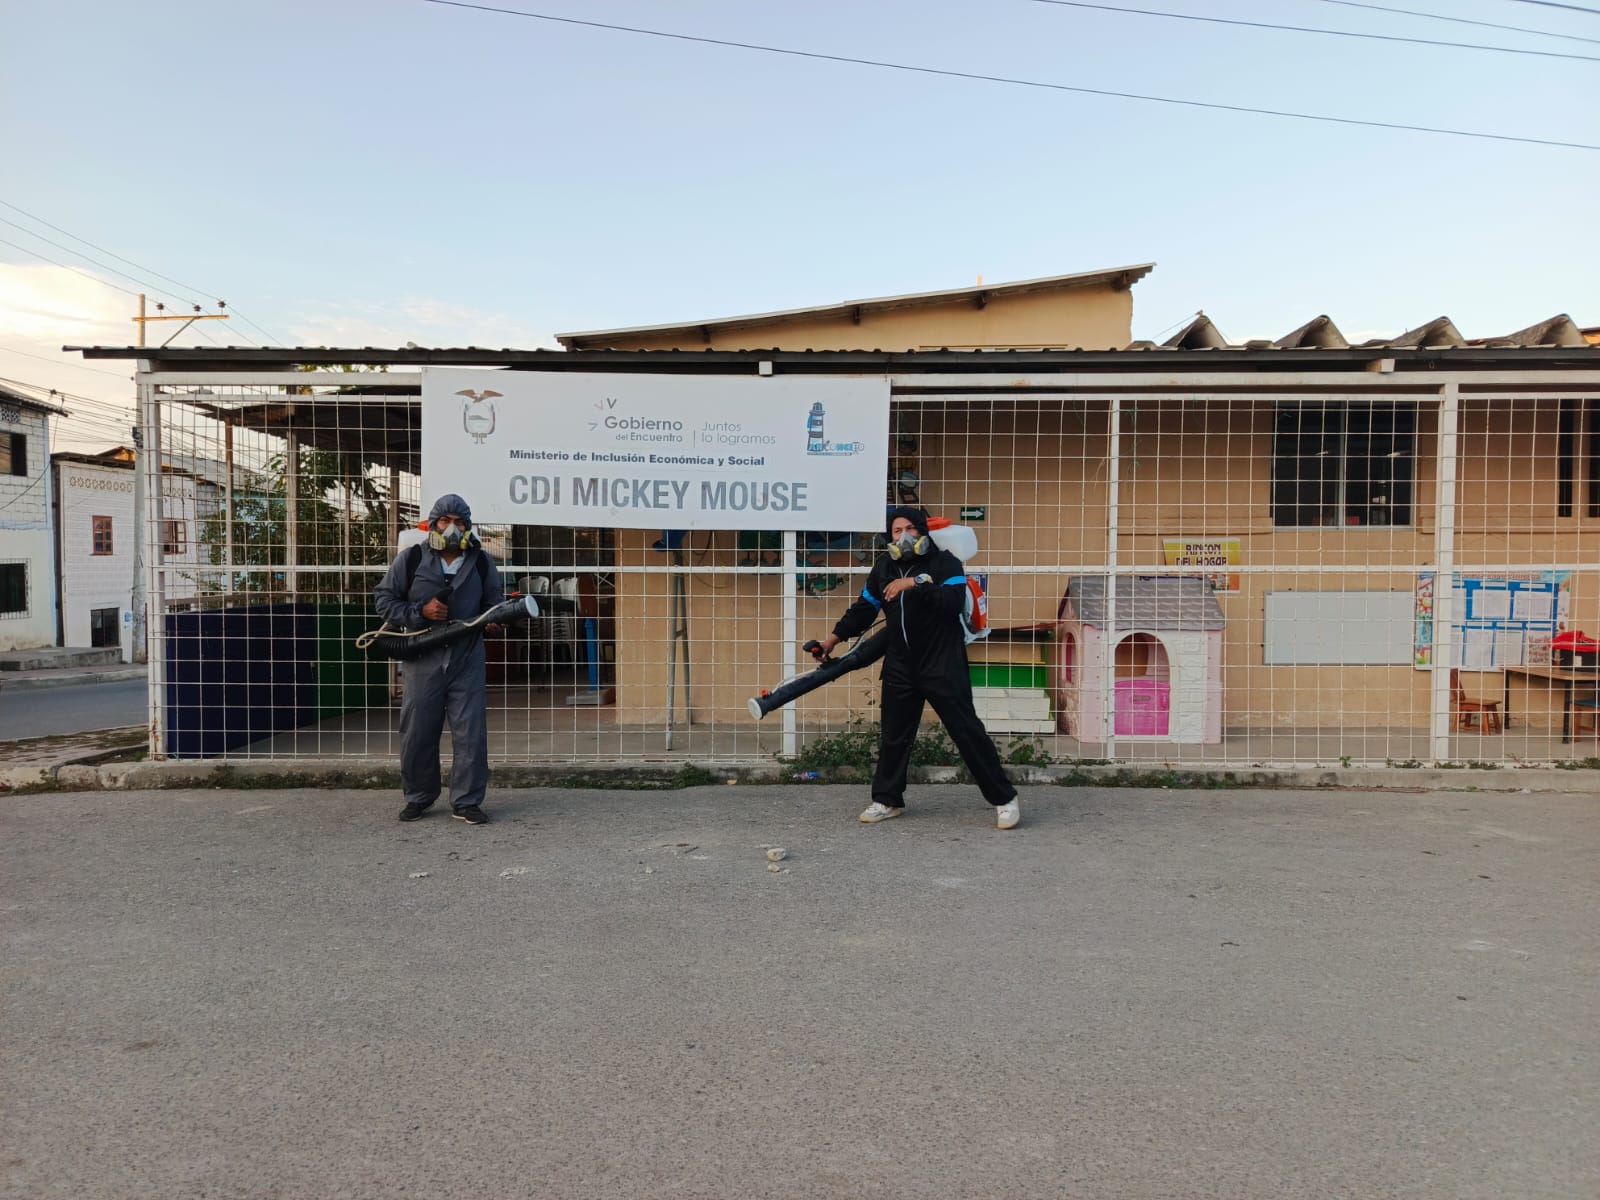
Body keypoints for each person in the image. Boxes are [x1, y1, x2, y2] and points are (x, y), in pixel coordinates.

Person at [812, 506, 1021, 830]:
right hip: (900, 664)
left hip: (942, 663)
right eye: (897, 531)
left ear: (922, 530)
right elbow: (864, 609)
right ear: (889, 536)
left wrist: (915, 584)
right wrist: (832, 640)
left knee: (966, 731)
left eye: (910, 528)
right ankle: (887, 800)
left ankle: (1005, 799)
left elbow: (951, 602)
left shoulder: (944, 562)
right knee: (894, 736)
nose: (904, 536)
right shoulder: (884, 567)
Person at [374, 493, 505, 825]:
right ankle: (418, 797)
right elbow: (384, 601)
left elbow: (494, 603)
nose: (452, 528)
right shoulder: (412, 559)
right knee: (417, 731)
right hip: (422, 658)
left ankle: (467, 801)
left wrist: (495, 620)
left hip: (466, 658)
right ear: (432, 525)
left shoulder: (481, 562)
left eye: (459, 522)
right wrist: (421, 611)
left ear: (468, 527)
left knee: (470, 733)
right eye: (445, 521)